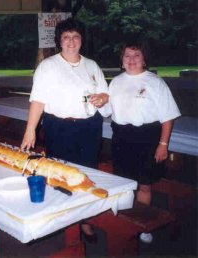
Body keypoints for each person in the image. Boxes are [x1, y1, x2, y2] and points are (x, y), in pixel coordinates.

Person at [20, 17, 110, 241]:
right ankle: (65, 221)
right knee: (60, 176)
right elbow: (38, 100)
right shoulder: (48, 66)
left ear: (82, 40)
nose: (71, 41)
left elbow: (105, 94)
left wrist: (102, 98)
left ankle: (85, 221)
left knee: (87, 173)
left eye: (76, 36)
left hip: (89, 127)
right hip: (59, 127)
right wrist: (30, 129)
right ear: (59, 41)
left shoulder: (92, 65)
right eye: (66, 37)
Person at [108, 42, 181, 243]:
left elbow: (168, 117)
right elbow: (107, 111)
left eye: (136, 55)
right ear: (121, 61)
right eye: (127, 56)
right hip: (121, 138)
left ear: (144, 59)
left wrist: (163, 145)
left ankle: (142, 226)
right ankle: (124, 223)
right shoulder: (115, 83)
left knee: (145, 185)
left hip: (148, 139)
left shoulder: (155, 82)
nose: (131, 59)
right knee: (123, 184)